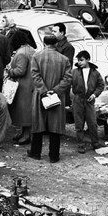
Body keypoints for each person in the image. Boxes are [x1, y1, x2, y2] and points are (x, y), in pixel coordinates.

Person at [27, 35, 72, 163]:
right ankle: (54, 155)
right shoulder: (64, 59)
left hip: (40, 95)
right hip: (57, 96)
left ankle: (35, 152)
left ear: (44, 43)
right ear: (56, 44)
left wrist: (44, 91)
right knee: (55, 125)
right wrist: (56, 90)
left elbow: (35, 75)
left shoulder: (36, 57)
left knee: (38, 123)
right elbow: (68, 78)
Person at [71, 50, 105, 153]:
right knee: (79, 123)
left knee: (92, 122)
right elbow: (69, 83)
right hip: (78, 99)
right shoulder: (74, 72)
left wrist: (94, 95)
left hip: (90, 101)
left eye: (82, 60)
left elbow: (101, 85)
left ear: (88, 60)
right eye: (78, 60)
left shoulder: (95, 73)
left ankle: (95, 143)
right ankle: (80, 144)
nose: (80, 62)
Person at [6, 30, 36, 145]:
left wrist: (10, 71)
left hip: (23, 86)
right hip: (30, 85)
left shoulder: (21, 53)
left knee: (23, 112)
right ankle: (24, 133)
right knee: (27, 111)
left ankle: (26, 135)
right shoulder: (31, 50)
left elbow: (20, 70)